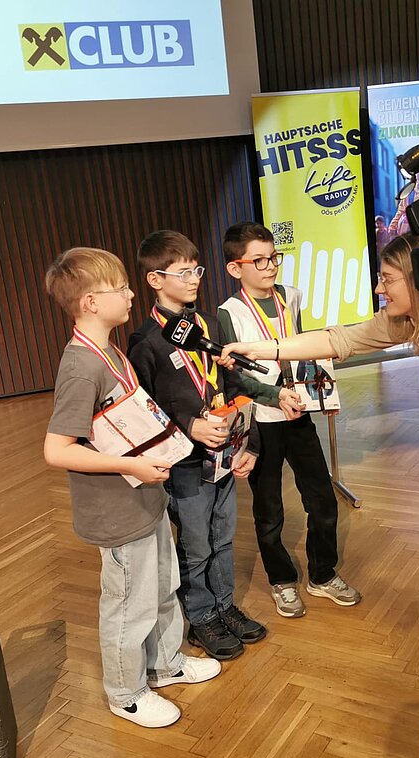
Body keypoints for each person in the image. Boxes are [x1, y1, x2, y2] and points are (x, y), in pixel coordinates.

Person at [221, 231, 419, 663]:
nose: (378, 288)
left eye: (387, 279)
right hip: (269, 418)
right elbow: (338, 340)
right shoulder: (408, 321)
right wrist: (261, 349)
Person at [42, 247, 221, 729]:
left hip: (145, 497)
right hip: (117, 509)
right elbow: (57, 449)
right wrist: (133, 465)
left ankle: (165, 664)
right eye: (119, 288)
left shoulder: (111, 351)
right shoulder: (81, 366)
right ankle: (126, 693)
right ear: (90, 302)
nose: (129, 295)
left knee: (162, 586)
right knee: (128, 604)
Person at [128, 230, 267, 663]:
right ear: (155, 279)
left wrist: (250, 443)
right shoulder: (145, 342)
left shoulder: (207, 325)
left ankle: (224, 606)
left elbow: (233, 385)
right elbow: (146, 411)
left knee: (223, 537)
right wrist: (190, 426)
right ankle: (202, 617)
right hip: (185, 464)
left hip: (225, 452)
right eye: (183, 272)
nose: (194, 279)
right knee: (196, 544)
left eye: (197, 270)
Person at [217, 222, 362, 619]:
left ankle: (322, 574)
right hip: (262, 420)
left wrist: (320, 392)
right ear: (235, 268)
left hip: (299, 413)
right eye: (259, 261)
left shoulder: (291, 296)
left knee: (322, 497)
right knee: (269, 509)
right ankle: (281, 580)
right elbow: (235, 377)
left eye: (273, 258)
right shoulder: (229, 313)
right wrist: (273, 396)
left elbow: (301, 350)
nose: (270, 267)